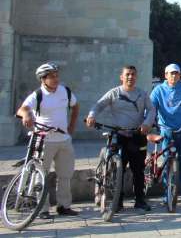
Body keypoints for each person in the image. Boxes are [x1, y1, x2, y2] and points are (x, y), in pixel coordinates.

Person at [86, 65, 154, 211]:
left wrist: (147, 123)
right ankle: (118, 200)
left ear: (136, 77)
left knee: (138, 170)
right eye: (127, 74)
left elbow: (151, 109)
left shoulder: (142, 94)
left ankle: (140, 200)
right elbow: (98, 105)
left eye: (133, 74)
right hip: (119, 136)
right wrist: (92, 116)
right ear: (121, 77)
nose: (130, 77)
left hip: (137, 135)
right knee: (118, 170)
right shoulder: (114, 93)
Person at [16, 62, 80, 218]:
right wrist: (26, 115)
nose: (56, 79)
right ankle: (42, 209)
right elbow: (22, 109)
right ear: (42, 79)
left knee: (65, 175)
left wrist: (71, 126)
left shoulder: (65, 91)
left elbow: (76, 106)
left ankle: (64, 206)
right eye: (52, 76)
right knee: (41, 175)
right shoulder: (38, 95)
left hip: (64, 139)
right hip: (44, 140)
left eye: (57, 75)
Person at [150, 63, 181, 202]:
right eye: (171, 73)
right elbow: (151, 107)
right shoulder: (158, 90)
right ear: (166, 75)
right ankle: (168, 193)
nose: (174, 75)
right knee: (167, 162)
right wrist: (148, 123)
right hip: (166, 130)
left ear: (180, 75)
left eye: (176, 73)